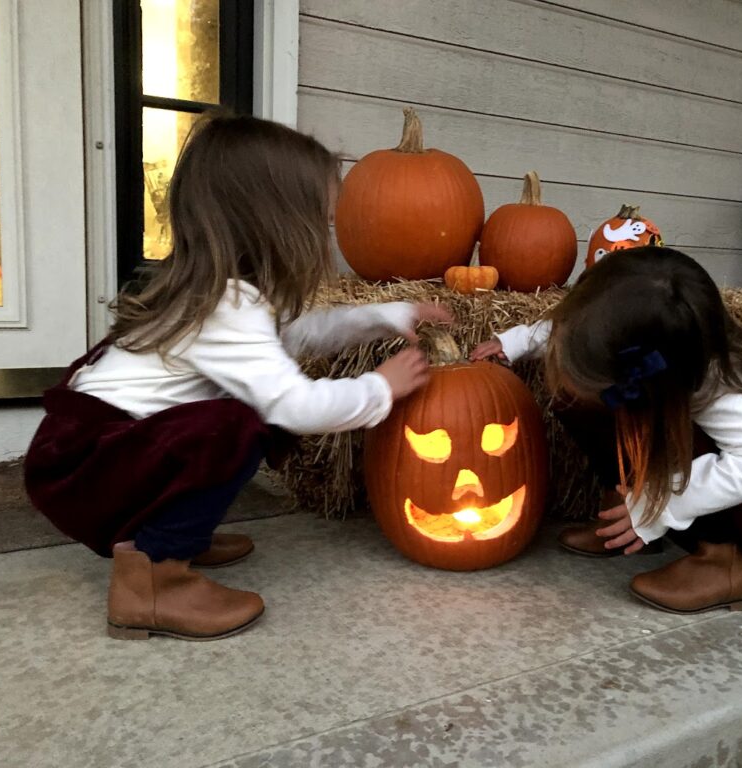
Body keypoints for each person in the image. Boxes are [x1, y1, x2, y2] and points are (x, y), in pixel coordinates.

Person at [24, 114, 450, 640]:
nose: (328, 235)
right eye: (321, 219)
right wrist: (380, 387)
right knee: (236, 425)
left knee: (235, 419)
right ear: (278, 224)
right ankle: (153, 580)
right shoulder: (228, 307)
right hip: (85, 470)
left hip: (91, 457)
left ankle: (174, 533)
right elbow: (295, 406)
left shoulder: (214, 294)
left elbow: (295, 337)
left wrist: (388, 315)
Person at [471, 247, 742, 614]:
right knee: (577, 400)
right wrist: (516, 341)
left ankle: (727, 562)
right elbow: (573, 329)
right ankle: (621, 513)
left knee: (703, 455)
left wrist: (659, 505)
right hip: (664, 422)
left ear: (643, 374)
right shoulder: (624, 336)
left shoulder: (722, 385)